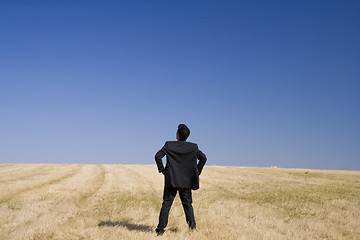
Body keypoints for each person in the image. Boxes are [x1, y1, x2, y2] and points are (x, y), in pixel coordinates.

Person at [154, 124, 207, 236]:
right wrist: (196, 172)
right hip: (186, 182)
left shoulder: (169, 145)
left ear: (177, 135)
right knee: (187, 205)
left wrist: (162, 170)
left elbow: (158, 156)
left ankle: (160, 230)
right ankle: (192, 228)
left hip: (171, 180)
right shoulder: (193, 147)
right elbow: (203, 158)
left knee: (166, 204)